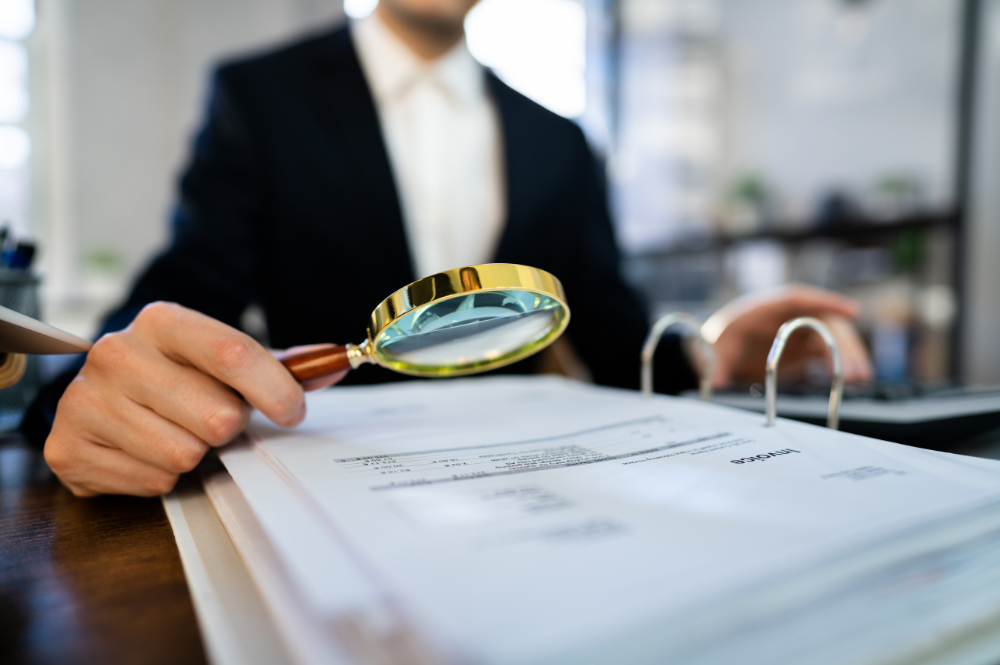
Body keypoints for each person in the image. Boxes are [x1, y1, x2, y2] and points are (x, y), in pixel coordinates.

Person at [28, 0, 872, 498]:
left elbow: (613, 333)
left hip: (532, 489)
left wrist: (717, 349)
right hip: (323, 483)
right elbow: (185, 286)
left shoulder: (560, 140)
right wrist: (87, 389)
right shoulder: (261, 97)